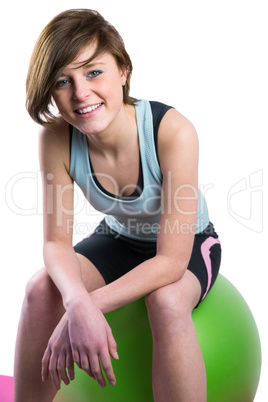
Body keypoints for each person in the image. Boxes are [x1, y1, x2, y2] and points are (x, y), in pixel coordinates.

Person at [14, 8, 221, 402]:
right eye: (63, 81)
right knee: (42, 290)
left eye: (94, 72)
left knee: (166, 300)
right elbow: (56, 242)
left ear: (122, 70)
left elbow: (171, 262)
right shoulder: (57, 139)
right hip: (120, 239)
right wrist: (75, 303)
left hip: (188, 244)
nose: (80, 93)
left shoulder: (172, 131)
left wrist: (87, 306)